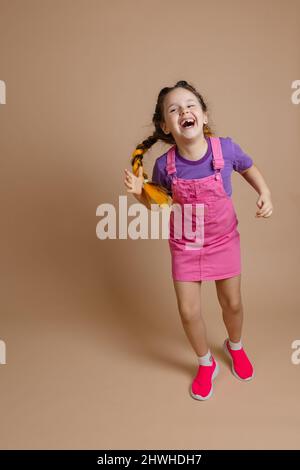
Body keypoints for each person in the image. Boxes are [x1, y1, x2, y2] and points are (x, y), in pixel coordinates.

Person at [124, 80, 273, 401]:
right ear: (166, 125)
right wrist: (140, 195)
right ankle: (205, 363)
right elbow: (159, 203)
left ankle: (235, 346)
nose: (184, 112)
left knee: (232, 303)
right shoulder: (165, 166)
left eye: (191, 105)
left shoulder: (226, 149)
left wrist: (265, 192)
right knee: (188, 311)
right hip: (186, 245)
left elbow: (248, 168)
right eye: (174, 110)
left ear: (204, 116)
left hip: (223, 240)